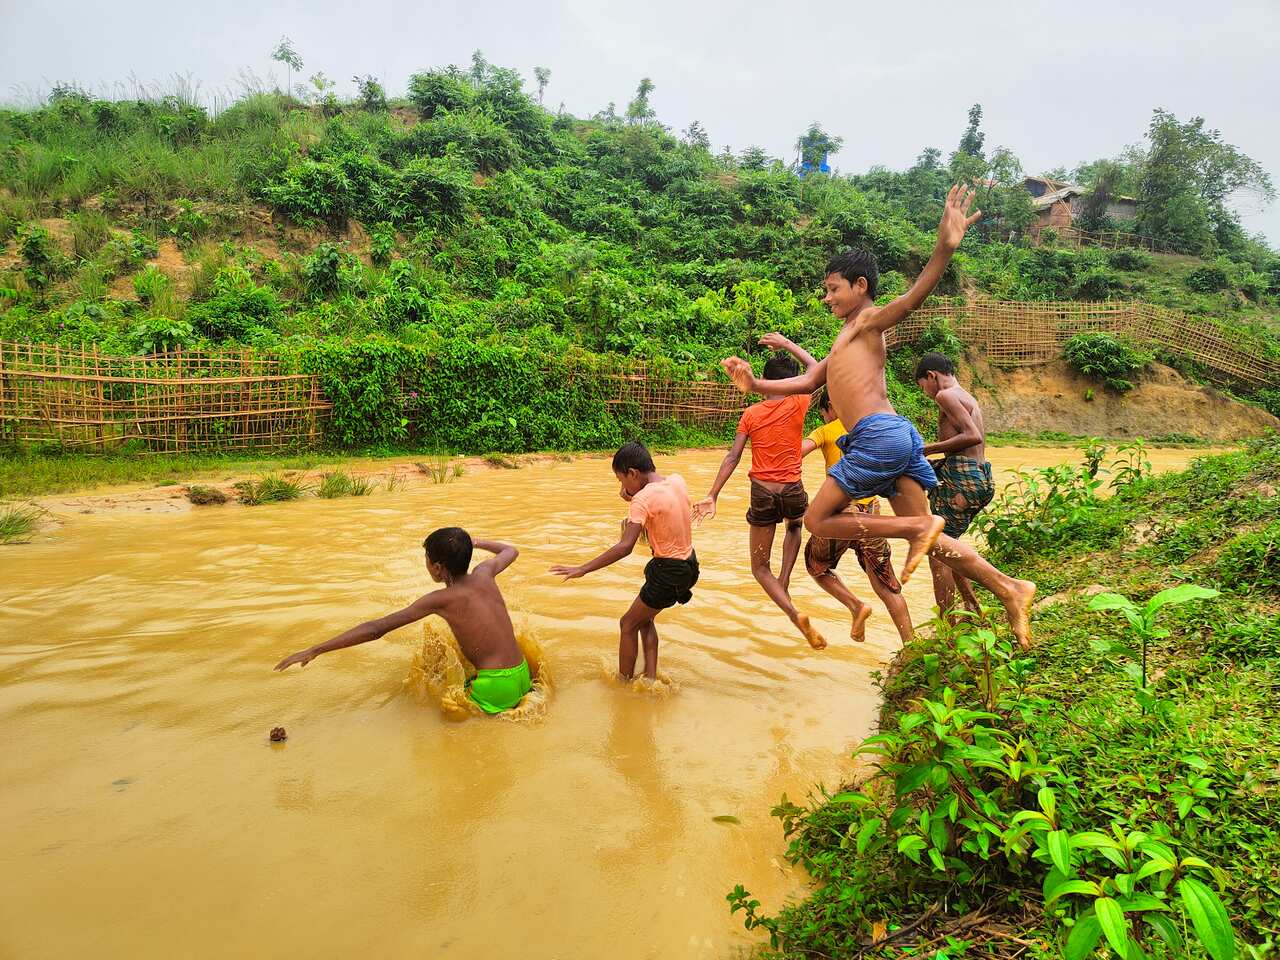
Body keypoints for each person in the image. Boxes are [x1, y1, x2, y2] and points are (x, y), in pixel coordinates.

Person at [721, 185, 1036, 648]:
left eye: (833, 289)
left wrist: (944, 249)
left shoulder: (867, 322)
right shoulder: (846, 337)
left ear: (859, 286)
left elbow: (910, 300)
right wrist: (756, 386)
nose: (827, 298)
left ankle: (915, 528)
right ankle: (1010, 588)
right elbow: (808, 383)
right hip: (898, 436)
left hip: (876, 436)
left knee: (818, 521)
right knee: (940, 544)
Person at [274, 528, 532, 714]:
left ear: (438, 568)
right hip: (522, 674)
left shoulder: (440, 599)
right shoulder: (485, 572)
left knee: (443, 734)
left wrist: (316, 649)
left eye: (427, 559)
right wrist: (473, 542)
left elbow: (376, 629)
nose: (427, 564)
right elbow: (511, 550)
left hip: (496, 686)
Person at [693, 334, 826, 649]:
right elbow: (816, 368)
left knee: (758, 567)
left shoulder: (750, 414)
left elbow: (733, 457)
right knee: (794, 525)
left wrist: (713, 494)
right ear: (791, 383)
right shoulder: (800, 400)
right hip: (793, 488)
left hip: (763, 493)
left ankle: (793, 612)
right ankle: (786, 579)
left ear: (763, 380)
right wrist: (787, 344)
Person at [550, 441, 697, 680]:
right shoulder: (677, 481)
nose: (622, 486)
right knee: (645, 619)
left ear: (633, 473)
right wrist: (632, 496)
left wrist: (583, 568)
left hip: (668, 571)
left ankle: (623, 685)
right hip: (689, 564)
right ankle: (650, 679)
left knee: (627, 624)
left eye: (621, 480)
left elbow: (625, 546)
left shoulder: (642, 500)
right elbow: (660, 504)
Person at [800, 387, 914, 645]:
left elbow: (799, 451)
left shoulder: (826, 431)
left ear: (830, 407)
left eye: (823, 413)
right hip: (870, 515)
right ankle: (911, 644)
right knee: (885, 583)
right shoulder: (871, 427)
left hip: (838, 516)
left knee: (816, 566)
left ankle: (855, 606)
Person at [916, 352, 996, 616]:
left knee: (936, 549)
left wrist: (928, 449)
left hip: (963, 481)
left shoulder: (946, 395)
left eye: (922, 386)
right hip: (978, 477)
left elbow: (970, 436)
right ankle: (972, 604)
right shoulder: (965, 394)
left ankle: (947, 626)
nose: (925, 392)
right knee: (949, 545)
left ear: (931, 376)